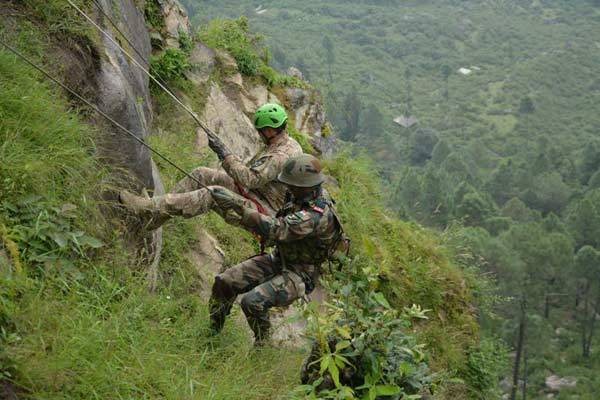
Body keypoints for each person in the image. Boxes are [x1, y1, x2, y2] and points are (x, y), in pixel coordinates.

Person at [208, 154, 344, 345]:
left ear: (305, 186)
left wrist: (238, 205)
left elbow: (277, 228)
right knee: (225, 282)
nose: (288, 187)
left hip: (300, 274)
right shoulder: (300, 195)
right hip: (279, 259)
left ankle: (262, 344)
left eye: (292, 185)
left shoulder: (316, 215)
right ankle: (212, 332)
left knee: (252, 302)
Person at [119, 103, 302, 229]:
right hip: (257, 195)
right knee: (201, 174)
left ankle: (147, 209)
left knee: (212, 194)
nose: (259, 135)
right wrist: (227, 156)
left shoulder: (281, 155)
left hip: (263, 212)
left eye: (261, 131)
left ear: (270, 130)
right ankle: (152, 214)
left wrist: (225, 155)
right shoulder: (284, 143)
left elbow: (250, 179)